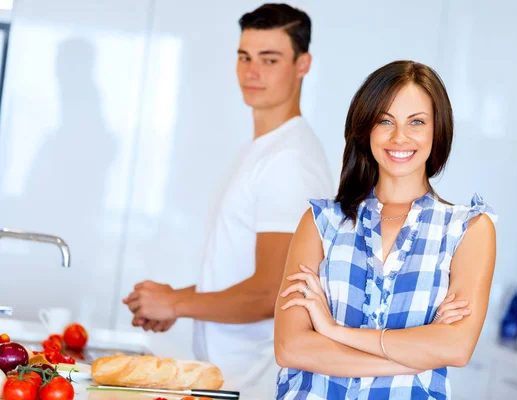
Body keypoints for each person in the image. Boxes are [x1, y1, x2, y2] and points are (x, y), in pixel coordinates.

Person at [122, 4, 334, 399]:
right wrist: (176, 301)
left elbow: (271, 293)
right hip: (227, 380)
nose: (252, 72)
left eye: (269, 60)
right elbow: (240, 273)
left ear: (302, 64)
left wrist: (178, 303)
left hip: (252, 385)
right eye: (244, 57)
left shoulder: (290, 160)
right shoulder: (262, 151)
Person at [274, 60, 497, 399]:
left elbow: (455, 347)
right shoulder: (322, 222)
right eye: (385, 121)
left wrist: (333, 330)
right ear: (366, 129)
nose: (399, 137)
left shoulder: (467, 230)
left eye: (417, 122)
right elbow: (291, 348)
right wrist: (415, 355)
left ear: (438, 130)